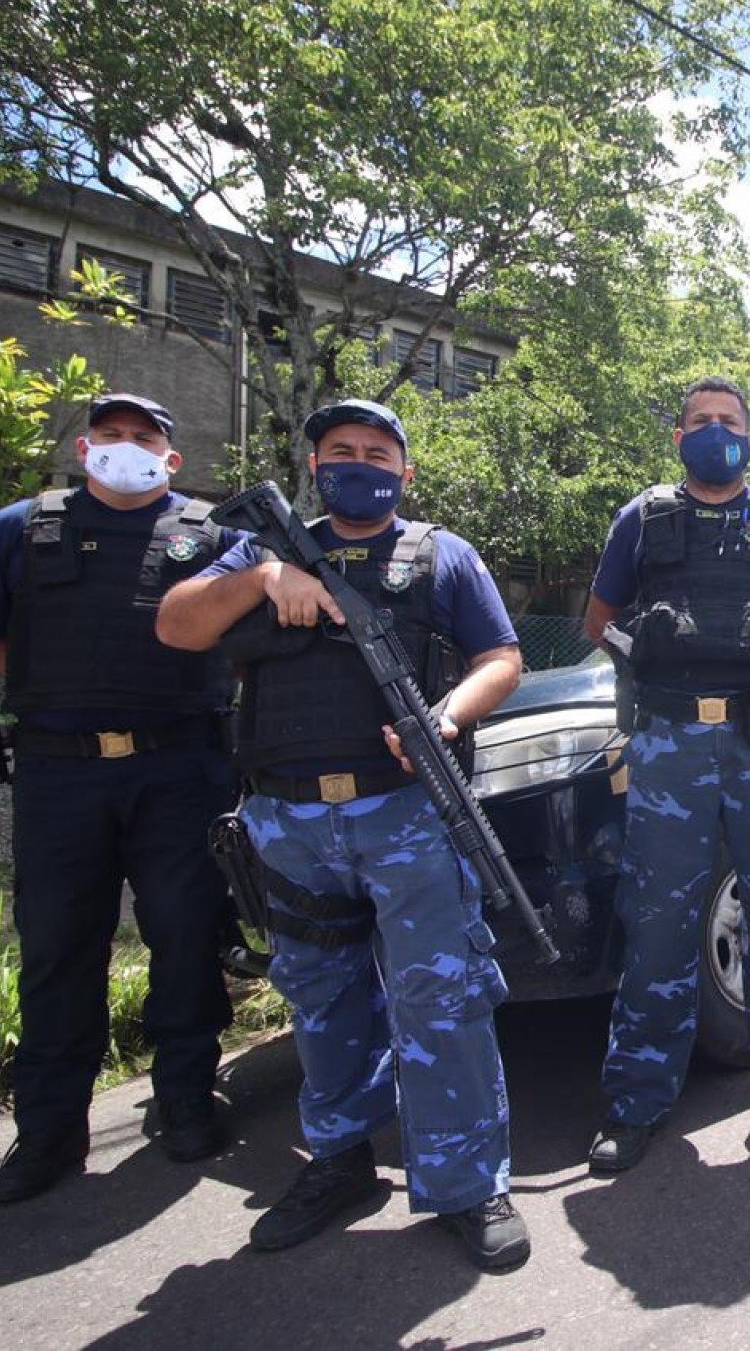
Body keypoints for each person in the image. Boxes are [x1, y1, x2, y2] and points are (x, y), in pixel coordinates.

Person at [154, 400, 529, 1272]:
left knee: (442, 999)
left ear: (405, 472)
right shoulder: (265, 547)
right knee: (321, 1000)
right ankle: (340, 1162)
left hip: (406, 814)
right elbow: (177, 623)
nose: (360, 463)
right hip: (288, 820)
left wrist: (444, 716)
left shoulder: (444, 554)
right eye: (341, 451)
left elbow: (503, 658)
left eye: (378, 452)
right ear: (315, 466)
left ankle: (469, 1181)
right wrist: (262, 580)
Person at [0, 393, 238, 1203]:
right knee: (57, 948)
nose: (125, 448)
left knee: (186, 937)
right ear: (84, 449)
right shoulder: (20, 527)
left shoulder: (214, 535)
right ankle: (47, 1130)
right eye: (109, 436)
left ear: (171, 457)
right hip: (59, 771)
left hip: (180, 767)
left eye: (143, 438)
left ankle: (185, 1096)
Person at [580, 375, 750, 1173]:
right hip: (669, 745)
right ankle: (635, 1100)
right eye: (699, 420)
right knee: (659, 920)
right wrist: (653, 656)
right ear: (679, 437)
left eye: (728, 421)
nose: (714, 431)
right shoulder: (644, 517)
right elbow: (598, 621)